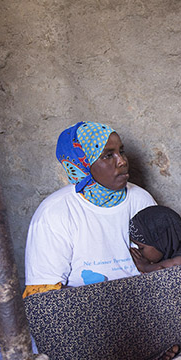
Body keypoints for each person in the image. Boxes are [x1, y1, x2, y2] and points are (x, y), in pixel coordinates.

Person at [24, 121, 156, 296]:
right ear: (82, 164)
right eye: (108, 155)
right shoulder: (55, 212)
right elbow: (45, 295)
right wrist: (105, 304)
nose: (122, 161)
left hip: (141, 303)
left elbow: (161, 263)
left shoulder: (140, 199)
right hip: (82, 311)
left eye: (121, 152)